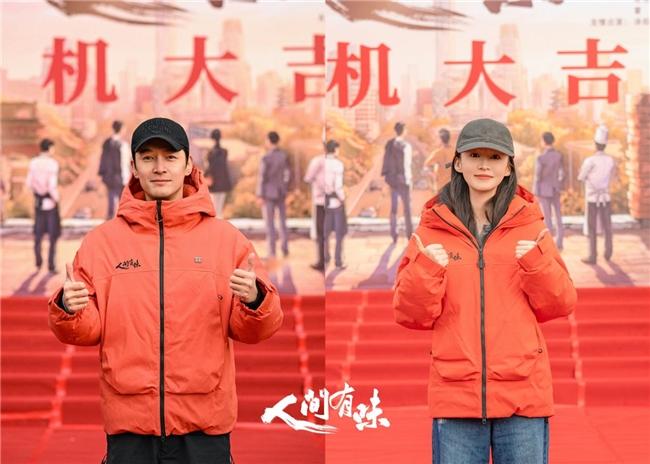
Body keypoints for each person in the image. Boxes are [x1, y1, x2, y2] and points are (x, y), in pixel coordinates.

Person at [48, 117, 283, 464]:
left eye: (170, 157)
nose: (159, 168)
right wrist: (70, 309)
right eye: (148, 158)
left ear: (188, 165)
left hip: (205, 430)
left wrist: (255, 299)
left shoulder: (226, 240)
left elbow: (258, 328)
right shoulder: (101, 243)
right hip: (129, 429)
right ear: (134, 167)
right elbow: (87, 331)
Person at [393, 118, 577, 464]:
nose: (484, 165)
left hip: (523, 392)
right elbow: (409, 314)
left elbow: (561, 303)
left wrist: (536, 264)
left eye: (495, 158)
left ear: (508, 168)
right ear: (458, 163)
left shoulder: (530, 227)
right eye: (474, 155)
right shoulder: (431, 231)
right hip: (456, 393)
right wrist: (427, 270)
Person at [577, 124, 617, 265]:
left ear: (595, 144)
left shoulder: (590, 161)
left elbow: (581, 177)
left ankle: (593, 255)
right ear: (605, 145)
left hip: (593, 198)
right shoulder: (610, 160)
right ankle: (608, 252)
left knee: (592, 227)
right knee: (607, 226)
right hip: (606, 197)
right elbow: (613, 177)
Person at [26, 138, 61, 273]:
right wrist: (56, 199)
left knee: (38, 234)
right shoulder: (52, 164)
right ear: (50, 148)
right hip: (50, 203)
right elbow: (52, 186)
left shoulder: (33, 163)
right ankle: (51, 265)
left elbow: (29, 183)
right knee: (53, 236)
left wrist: (37, 192)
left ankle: (38, 262)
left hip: (38, 203)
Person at [257, 131, 290, 258]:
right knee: (282, 221)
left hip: (268, 193)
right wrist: (286, 188)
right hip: (281, 191)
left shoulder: (266, 157)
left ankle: (272, 252)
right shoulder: (284, 156)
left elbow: (262, 177)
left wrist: (260, 194)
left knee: (270, 223)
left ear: (269, 141)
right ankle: (285, 248)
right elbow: (288, 175)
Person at [381, 121, 413, 243]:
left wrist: (387, 179)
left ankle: (394, 234)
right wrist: (409, 180)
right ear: (403, 131)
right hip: (404, 181)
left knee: (394, 208)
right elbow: (407, 165)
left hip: (393, 181)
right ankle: (409, 234)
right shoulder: (407, 146)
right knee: (407, 209)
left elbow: (386, 161)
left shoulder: (389, 144)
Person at [533, 131, 565, 250]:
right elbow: (562, 173)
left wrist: (535, 192)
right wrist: (559, 184)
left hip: (543, 190)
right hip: (555, 188)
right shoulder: (559, 155)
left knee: (547, 218)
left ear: (544, 141)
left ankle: (550, 244)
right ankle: (559, 242)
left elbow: (537, 176)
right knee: (558, 216)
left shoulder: (541, 158)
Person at [323, 140, 348, 270]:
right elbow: (338, 186)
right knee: (339, 234)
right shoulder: (338, 165)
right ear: (335, 149)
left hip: (325, 203)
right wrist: (343, 198)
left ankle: (325, 258)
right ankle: (338, 261)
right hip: (336, 203)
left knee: (325, 234)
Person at [98, 120, 130, 219]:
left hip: (110, 177)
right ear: (122, 129)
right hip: (120, 177)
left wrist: (103, 174)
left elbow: (103, 159)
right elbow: (126, 162)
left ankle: (111, 221)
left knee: (112, 201)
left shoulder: (107, 143)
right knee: (122, 204)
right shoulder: (122, 145)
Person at [303, 144, 327, 272]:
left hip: (320, 201)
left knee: (320, 233)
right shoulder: (336, 163)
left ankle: (321, 261)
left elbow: (308, 177)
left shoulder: (317, 161)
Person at [205, 128, 232, 219]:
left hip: (214, 182)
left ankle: (216, 226)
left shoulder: (210, 153)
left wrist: (204, 176)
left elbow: (210, 168)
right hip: (223, 182)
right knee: (219, 208)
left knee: (215, 208)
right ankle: (220, 225)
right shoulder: (224, 152)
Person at [425, 128, 454, 193]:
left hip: (442, 186)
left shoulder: (438, 153)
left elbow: (426, 166)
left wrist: (432, 175)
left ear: (440, 139)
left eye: (436, 137)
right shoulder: (456, 151)